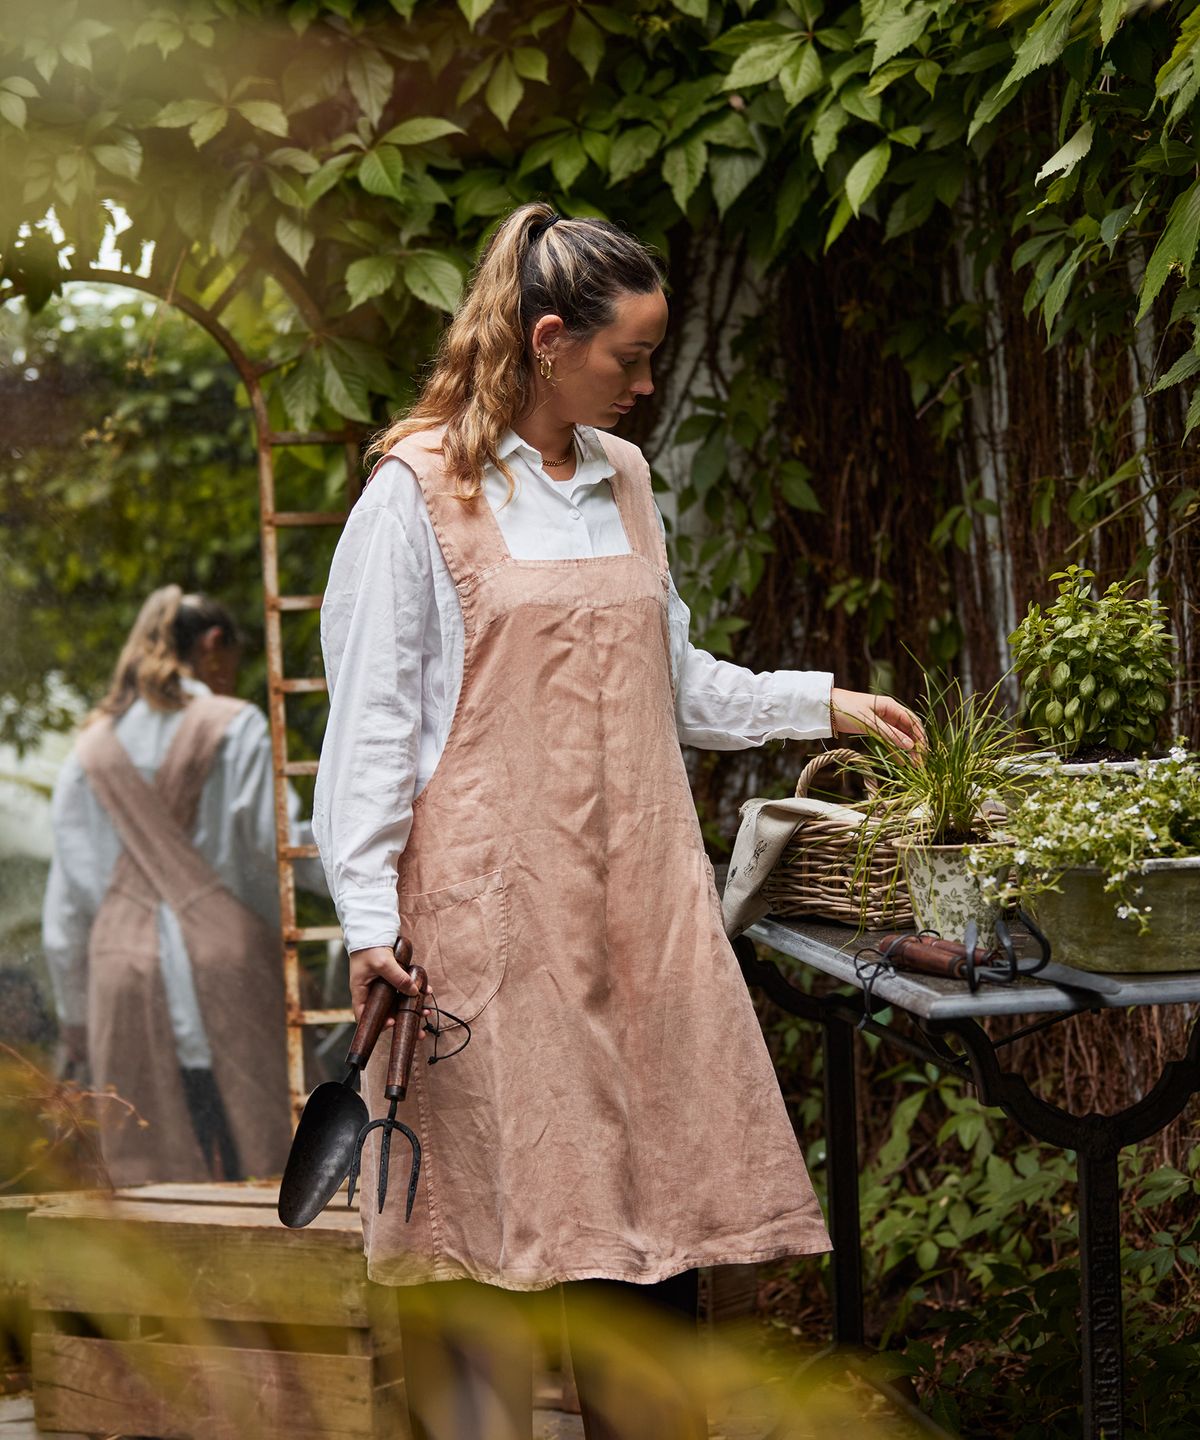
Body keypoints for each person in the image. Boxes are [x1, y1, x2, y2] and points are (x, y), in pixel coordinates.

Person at [314, 203, 924, 1440]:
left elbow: (675, 676)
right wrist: (369, 917)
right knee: (486, 1252)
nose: (647, 383)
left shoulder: (622, 478)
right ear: (548, 340)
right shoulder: (418, 494)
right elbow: (372, 726)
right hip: (488, 934)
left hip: (638, 922)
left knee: (649, 1248)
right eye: (629, 357)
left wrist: (828, 702)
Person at [43, 586, 324, 1186]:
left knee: (148, 1171)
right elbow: (267, 850)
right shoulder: (236, 726)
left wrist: (75, 1011)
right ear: (215, 646)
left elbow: (66, 912)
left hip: (121, 976)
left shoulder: (89, 750)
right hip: (229, 966)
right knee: (262, 1154)